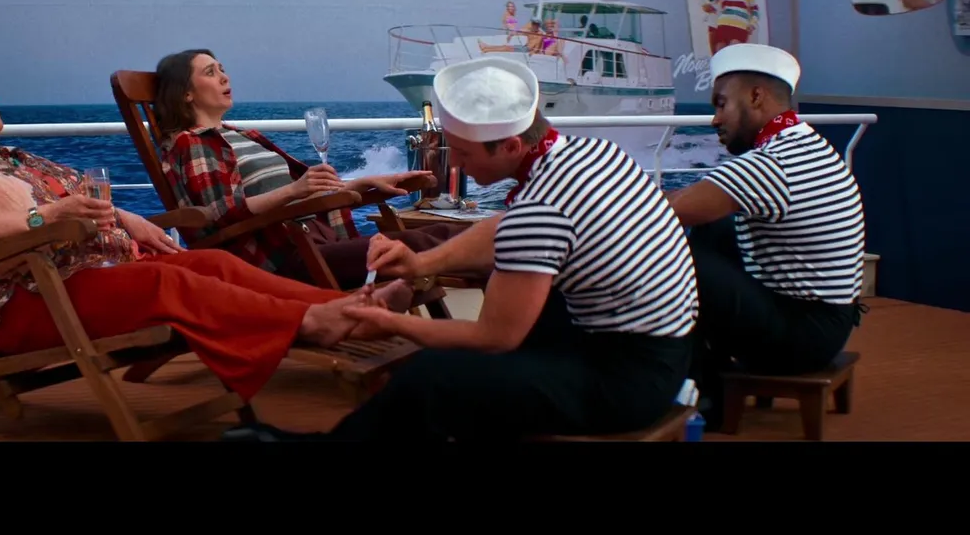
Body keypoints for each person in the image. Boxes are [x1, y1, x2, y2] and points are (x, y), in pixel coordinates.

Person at [222, 56, 700, 441]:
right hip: (665, 353)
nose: (458, 167)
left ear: (510, 146)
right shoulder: (587, 154)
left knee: (432, 375)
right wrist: (419, 263)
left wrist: (391, 323)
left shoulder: (541, 206)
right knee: (495, 313)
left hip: (625, 383)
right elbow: (504, 229)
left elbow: (496, 337)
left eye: (465, 154)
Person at [0, 60, 416, 403]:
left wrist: (129, 218)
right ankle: (318, 323)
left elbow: (89, 199)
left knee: (211, 263)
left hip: (95, 277)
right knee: (168, 282)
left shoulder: (21, 160)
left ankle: (349, 308)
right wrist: (43, 219)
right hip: (30, 301)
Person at [663, 43, 866, 427]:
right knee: (712, 230)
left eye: (721, 104)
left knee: (674, 262)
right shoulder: (805, 143)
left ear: (756, 97)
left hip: (802, 336)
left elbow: (661, 210)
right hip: (829, 322)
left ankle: (703, 396)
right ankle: (706, 378)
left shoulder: (773, 163)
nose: (715, 119)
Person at [153, 48, 471, 290]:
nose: (225, 77)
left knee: (437, 233)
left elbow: (301, 195)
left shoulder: (241, 135)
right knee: (416, 244)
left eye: (222, 69)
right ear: (186, 93)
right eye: (210, 72)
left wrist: (362, 184)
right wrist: (295, 189)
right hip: (284, 260)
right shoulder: (191, 143)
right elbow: (219, 214)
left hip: (316, 240)